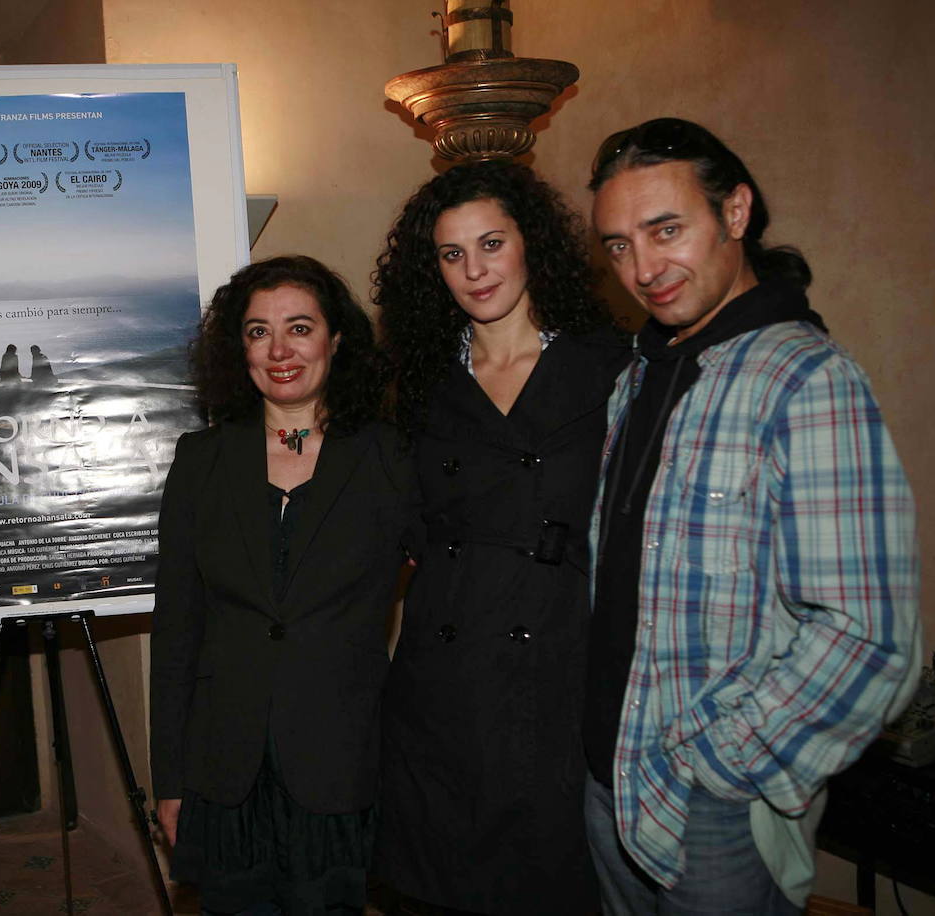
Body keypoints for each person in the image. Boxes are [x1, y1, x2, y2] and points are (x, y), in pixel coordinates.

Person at [583, 117, 921, 914]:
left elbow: (868, 634)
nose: (643, 267)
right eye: (620, 244)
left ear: (735, 212)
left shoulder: (807, 379)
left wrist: (724, 767)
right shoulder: (637, 376)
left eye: (667, 230)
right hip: (606, 782)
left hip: (713, 814)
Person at [371, 160, 628, 914]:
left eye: (491, 243)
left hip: (562, 661)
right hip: (445, 675)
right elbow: (394, 522)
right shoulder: (415, 385)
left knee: (554, 882)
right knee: (446, 882)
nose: (475, 271)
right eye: (453, 254)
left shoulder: (611, 365)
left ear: (531, 244)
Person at [150, 255, 413, 916]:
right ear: (238, 348)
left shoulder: (390, 458)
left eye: (299, 327)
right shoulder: (200, 462)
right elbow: (178, 630)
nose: (280, 350)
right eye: (258, 332)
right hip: (225, 765)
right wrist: (171, 779)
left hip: (343, 758)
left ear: (336, 339)